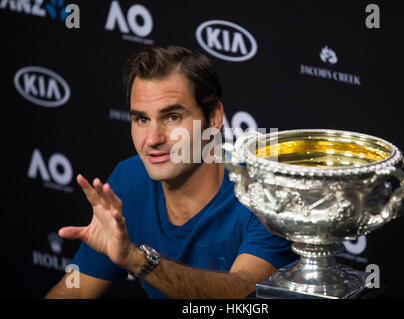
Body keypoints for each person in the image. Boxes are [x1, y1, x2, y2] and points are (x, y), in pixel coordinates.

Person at [45, 45, 296, 299]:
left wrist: (136, 259)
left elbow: (242, 290)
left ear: (215, 117)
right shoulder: (129, 180)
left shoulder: (264, 192)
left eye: (172, 117)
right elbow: (75, 292)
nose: (152, 139)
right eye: (142, 120)